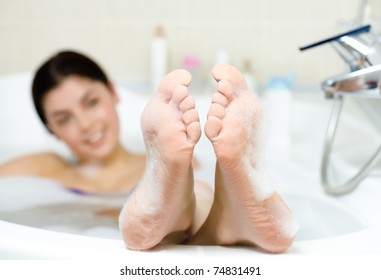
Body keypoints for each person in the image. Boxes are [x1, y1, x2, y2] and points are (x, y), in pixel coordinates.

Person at [0, 50, 297, 253]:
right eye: (63, 119)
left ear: (114, 93)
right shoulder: (43, 168)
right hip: (147, 228)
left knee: (198, 188)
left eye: (91, 102)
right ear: (51, 129)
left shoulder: (176, 155)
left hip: (156, 216)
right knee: (192, 192)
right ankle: (226, 223)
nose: (86, 124)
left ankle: (209, 214)